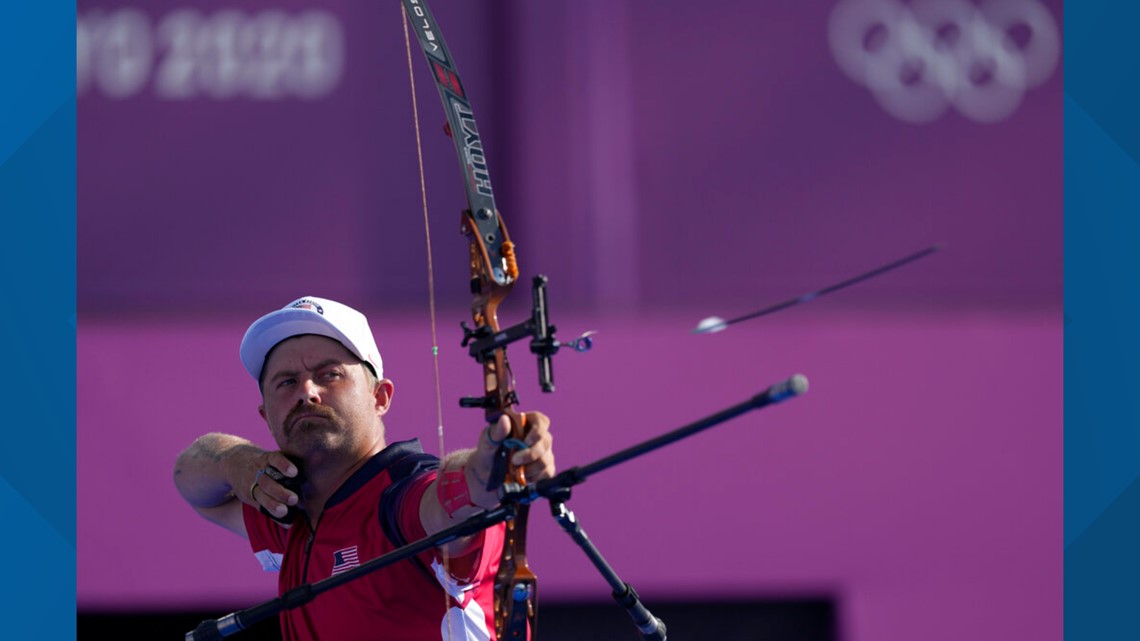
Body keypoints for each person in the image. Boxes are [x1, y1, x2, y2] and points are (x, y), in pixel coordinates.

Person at [173, 296, 555, 641]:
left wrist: (488, 469)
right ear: (265, 415)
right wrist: (238, 461)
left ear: (380, 397)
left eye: (329, 374)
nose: (307, 391)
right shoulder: (285, 507)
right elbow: (190, 480)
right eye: (287, 382)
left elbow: (454, 502)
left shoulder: (401, 496)